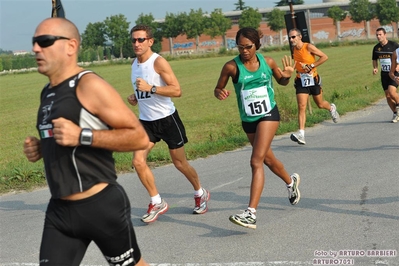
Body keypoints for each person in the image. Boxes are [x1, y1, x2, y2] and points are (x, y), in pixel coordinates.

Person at [23, 17, 149, 266]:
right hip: (60, 212)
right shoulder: (48, 91)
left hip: (100, 206)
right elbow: (63, 137)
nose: (36, 48)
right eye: (34, 42)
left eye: (44, 41)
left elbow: (139, 137)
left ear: (70, 46)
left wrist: (81, 136)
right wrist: (42, 146)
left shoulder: (89, 84)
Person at [213, 27, 301, 229]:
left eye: (248, 47)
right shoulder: (231, 67)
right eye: (240, 47)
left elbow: (282, 81)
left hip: (269, 113)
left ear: (256, 45)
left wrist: (287, 75)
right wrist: (219, 93)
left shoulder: (267, 62)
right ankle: (291, 182)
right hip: (248, 119)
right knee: (267, 159)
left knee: (255, 161)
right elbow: (218, 88)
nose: (244, 51)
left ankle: (250, 213)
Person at [127, 24, 210, 223]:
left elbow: (176, 90)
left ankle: (200, 192)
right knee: (138, 161)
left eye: (141, 40)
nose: (136, 43)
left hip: (167, 119)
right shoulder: (134, 64)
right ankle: (157, 202)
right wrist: (137, 96)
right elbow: (144, 89)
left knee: (179, 163)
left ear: (150, 41)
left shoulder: (159, 62)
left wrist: (151, 88)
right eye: (133, 40)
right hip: (146, 122)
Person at [288, 28, 339, 145]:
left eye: (293, 37)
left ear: (300, 37)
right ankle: (301, 134)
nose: (291, 39)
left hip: (313, 79)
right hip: (301, 80)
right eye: (290, 37)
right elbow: (298, 63)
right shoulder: (293, 49)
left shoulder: (308, 47)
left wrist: (311, 65)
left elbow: (324, 57)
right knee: (301, 106)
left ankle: (331, 108)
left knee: (320, 104)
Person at [372, 27, 399, 123]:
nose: (378, 37)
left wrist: (398, 66)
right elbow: (374, 60)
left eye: (380, 34)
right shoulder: (376, 48)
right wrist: (375, 68)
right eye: (377, 35)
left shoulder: (394, 45)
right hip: (384, 74)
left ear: (385, 35)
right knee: (388, 96)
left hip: (394, 73)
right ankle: (396, 113)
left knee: (392, 92)